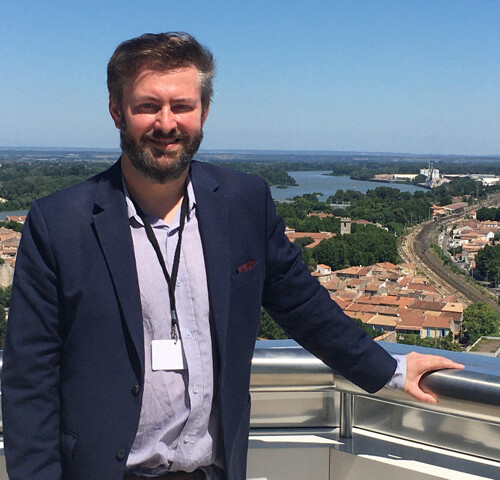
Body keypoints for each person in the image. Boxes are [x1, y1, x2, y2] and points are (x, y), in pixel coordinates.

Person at [1, 32, 463, 480]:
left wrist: (390, 369)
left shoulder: (244, 202)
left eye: (182, 106)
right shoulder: (59, 223)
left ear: (204, 112)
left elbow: (303, 306)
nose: (167, 123)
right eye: (148, 106)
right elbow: (29, 379)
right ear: (116, 112)